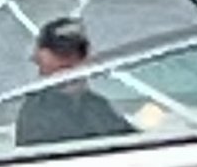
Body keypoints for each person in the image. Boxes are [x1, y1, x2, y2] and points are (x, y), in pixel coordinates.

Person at [15, 16, 136, 147]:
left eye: (79, 53)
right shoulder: (37, 114)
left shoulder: (96, 106)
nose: (72, 60)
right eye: (60, 54)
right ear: (41, 58)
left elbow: (131, 140)